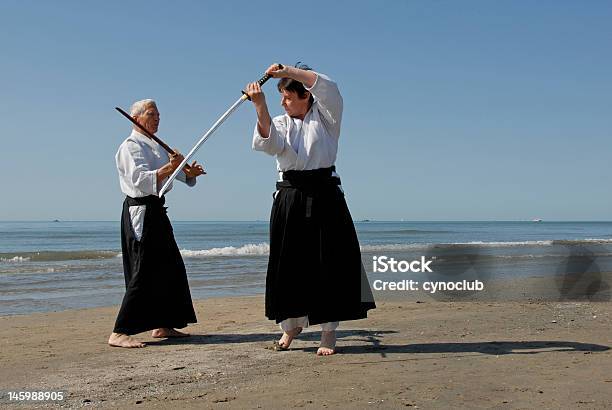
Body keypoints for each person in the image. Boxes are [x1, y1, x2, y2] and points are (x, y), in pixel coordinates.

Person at [245, 63, 375, 356]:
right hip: (290, 195)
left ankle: (328, 333)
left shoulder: (327, 117)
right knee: (288, 263)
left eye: (288, 96)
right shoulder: (280, 121)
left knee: (327, 262)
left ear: (306, 96)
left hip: (325, 194)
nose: (283, 102)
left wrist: (286, 70)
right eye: (281, 97)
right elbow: (270, 145)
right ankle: (290, 326)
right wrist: (260, 106)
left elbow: (327, 86)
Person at [108, 99, 205, 348]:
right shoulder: (129, 146)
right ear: (137, 117)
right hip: (140, 210)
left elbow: (175, 174)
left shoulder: (157, 145)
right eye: (152, 114)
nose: (157, 118)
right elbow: (140, 180)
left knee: (170, 266)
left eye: (159, 114)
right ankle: (119, 332)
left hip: (157, 210)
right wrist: (168, 167)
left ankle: (163, 325)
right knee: (145, 268)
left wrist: (187, 172)